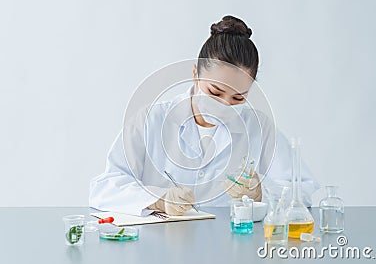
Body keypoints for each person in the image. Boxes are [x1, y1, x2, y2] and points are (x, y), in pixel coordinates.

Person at [89, 15, 320, 216]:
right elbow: (105, 187)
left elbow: (306, 190)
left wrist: (262, 191)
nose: (225, 105)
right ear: (195, 74)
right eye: (215, 92)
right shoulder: (151, 120)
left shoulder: (259, 127)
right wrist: (159, 200)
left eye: (238, 98)